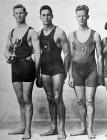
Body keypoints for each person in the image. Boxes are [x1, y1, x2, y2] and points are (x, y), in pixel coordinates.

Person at [4, 4, 41, 139]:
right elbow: (6, 51)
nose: (19, 15)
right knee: (20, 100)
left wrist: (38, 74)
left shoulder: (32, 32)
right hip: (15, 68)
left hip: (27, 67)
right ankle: (22, 126)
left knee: (27, 99)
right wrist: (9, 57)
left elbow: (38, 53)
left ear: (26, 14)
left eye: (21, 13)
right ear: (13, 15)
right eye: (16, 13)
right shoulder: (12, 32)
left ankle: (28, 130)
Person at [68, 5, 103, 139]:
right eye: (79, 16)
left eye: (84, 15)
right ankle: (82, 127)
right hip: (76, 70)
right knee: (80, 100)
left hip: (91, 70)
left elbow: (99, 56)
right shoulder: (71, 35)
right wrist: (70, 76)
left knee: (89, 100)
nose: (81, 18)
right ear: (76, 17)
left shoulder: (95, 35)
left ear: (88, 16)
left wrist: (101, 74)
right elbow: (70, 57)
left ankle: (89, 129)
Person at [38, 5, 70, 139]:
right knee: (50, 98)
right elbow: (38, 54)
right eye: (43, 15)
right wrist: (37, 73)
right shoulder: (39, 33)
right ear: (40, 17)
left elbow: (67, 54)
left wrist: (66, 73)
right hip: (45, 70)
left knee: (57, 98)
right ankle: (53, 128)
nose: (46, 17)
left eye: (48, 15)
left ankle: (61, 129)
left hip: (57, 69)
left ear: (52, 16)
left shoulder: (59, 32)